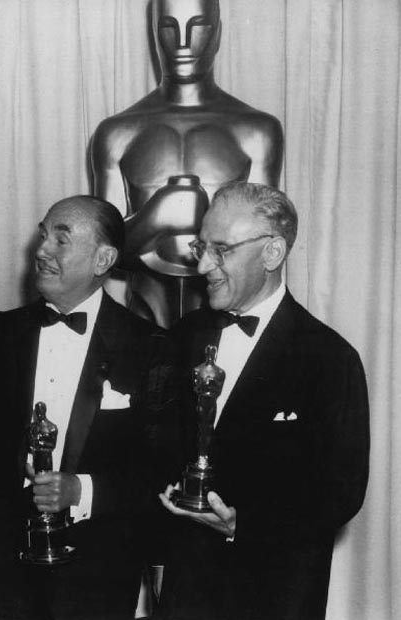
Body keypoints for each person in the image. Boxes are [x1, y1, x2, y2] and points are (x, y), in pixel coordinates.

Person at [0, 195, 179, 620]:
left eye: (61, 240)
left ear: (103, 259)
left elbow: (161, 470)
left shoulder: (150, 346)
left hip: (98, 577)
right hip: (11, 574)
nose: (41, 250)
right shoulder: (5, 331)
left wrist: (82, 491)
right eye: (43, 236)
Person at [157, 182, 370, 620]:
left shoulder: (329, 358)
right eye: (202, 247)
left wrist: (243, 525)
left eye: (221, 250)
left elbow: (341, 491)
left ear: (272, 253)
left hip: (275, 594)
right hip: (186, 590)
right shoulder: (183, 336)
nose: (203, 265)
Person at [90, 0, 284, 328]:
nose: (182, 42)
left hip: (225, 320)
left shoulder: (257, 131)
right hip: (142, 317)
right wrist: (155, 219)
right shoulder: (117, 133)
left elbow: (264, 252)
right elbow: (102, 254)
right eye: (169, 27)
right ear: (154, 33)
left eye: (198, 25)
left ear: (218, 33)